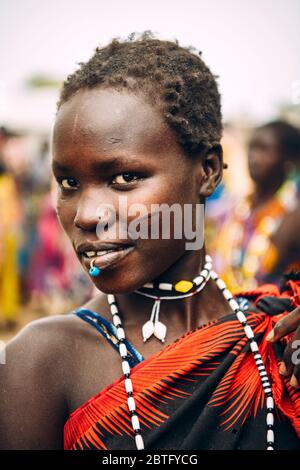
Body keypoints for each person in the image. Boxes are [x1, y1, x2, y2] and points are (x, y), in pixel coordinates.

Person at [0, 32, 300, 450]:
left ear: (208, 171)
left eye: (124, 178)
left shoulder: (280, 337)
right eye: (68, 182)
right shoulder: (40, 361)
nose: (86, 214)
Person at [211, 121, 300, 292]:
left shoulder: (293, 216)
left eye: (264, 150)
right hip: (226, 311)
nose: (253, 157)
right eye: (251, 149)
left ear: (287, 159)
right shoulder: (235, 210)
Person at [0, 127, 22, 329]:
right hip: (5, 229)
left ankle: (7, 313)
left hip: (7, 230)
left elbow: (12, 206)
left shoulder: (7, 176)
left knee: (8, 272)